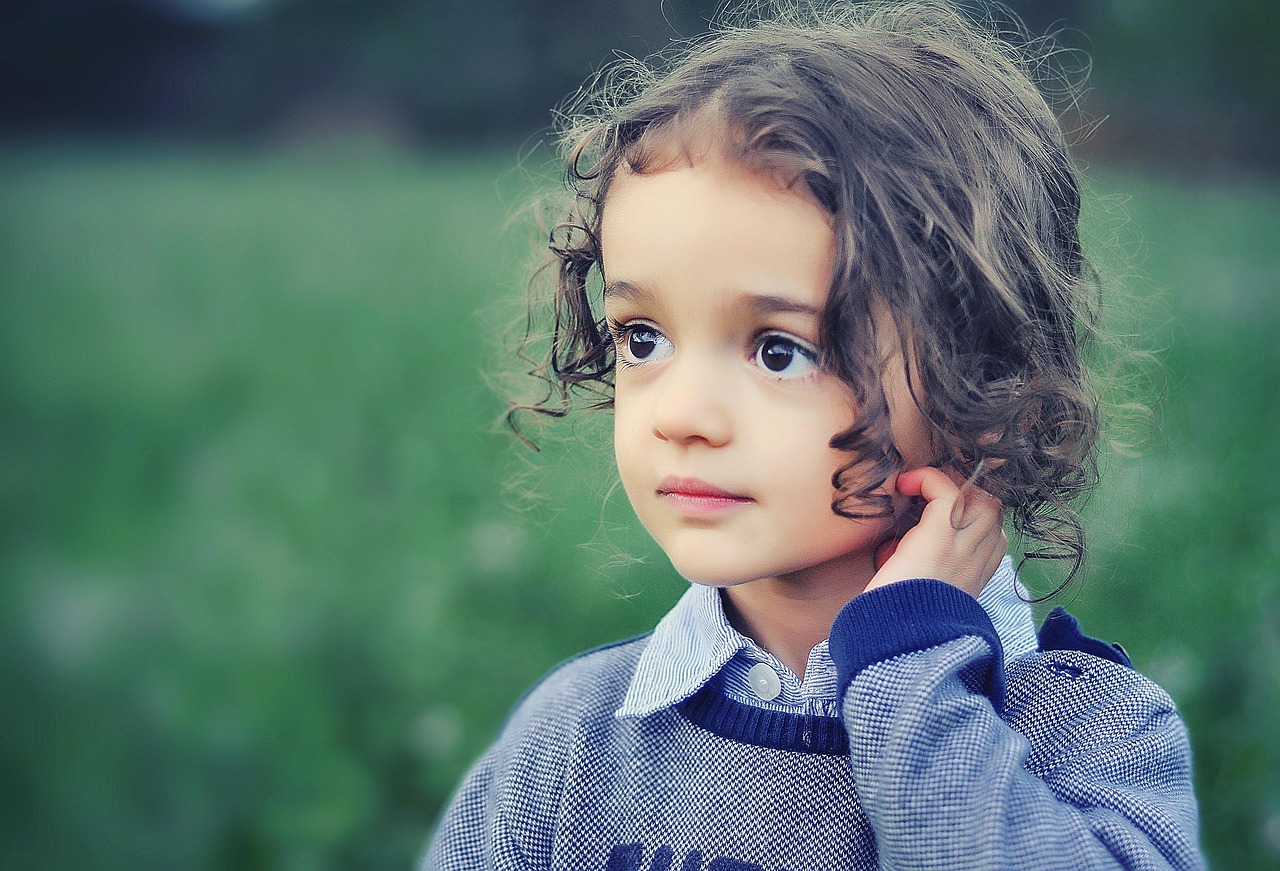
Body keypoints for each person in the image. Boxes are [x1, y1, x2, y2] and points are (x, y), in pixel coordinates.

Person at [424, 2, 1204, 868]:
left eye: (781, 349)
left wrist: (909, 667)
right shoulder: (571, 747)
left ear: (989, 383)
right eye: (642, 337)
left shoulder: (1089, 736)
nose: (679, 413)